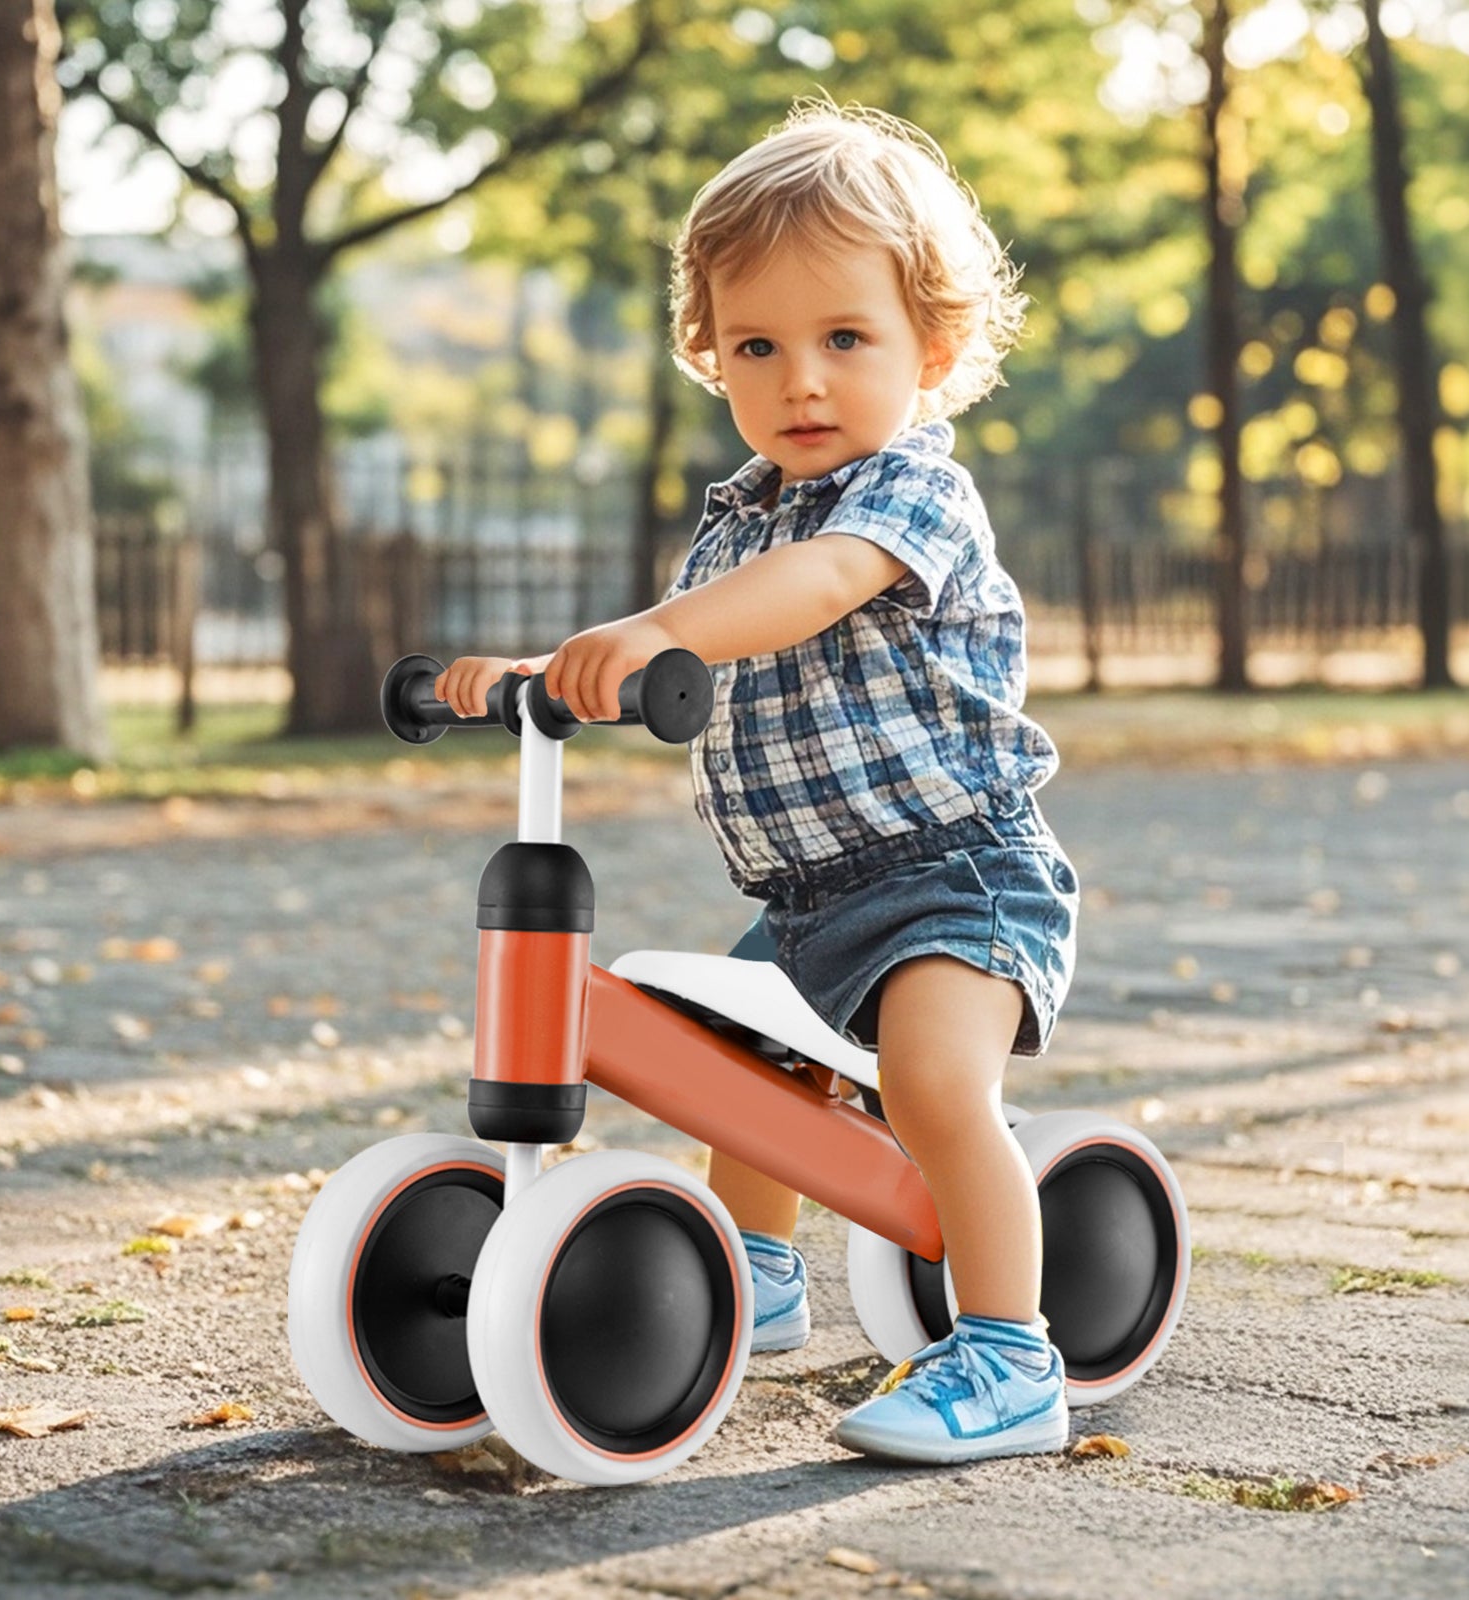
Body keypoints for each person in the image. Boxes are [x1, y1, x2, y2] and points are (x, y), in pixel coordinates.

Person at [435, 98, 1079, 1464]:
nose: (802, 380)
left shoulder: (910, 496)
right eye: (758, 345)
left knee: (931, 1088)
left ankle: (1014, 1356)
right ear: (709, 352)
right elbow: (662, 644)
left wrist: (666, 630)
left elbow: (817, 588)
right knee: (743, 1066)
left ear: (934, 350)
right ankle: (758, 1273)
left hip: (956, 875)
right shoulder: (740, 519)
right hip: (804, 892)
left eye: (846, 339)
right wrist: (534, 673)